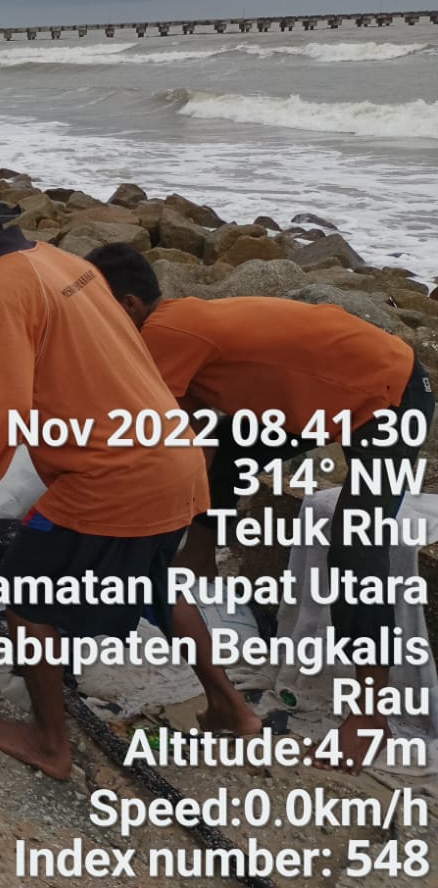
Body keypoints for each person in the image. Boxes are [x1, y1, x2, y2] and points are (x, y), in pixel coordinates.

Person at [0, 166, 257, 780]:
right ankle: (231, 706)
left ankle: (51, 744)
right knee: (153, 580)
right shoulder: (61, 263)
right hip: (174, 457)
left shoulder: (3, 289)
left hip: (116, 475)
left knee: (26, 599)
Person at [85, 242, 435, 772]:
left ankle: (371, 713)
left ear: (129, 306)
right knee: (226, 459)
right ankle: (198, 563)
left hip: (390, 395)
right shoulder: (176, 327)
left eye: (93, 312)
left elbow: (139, 436)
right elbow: (183, 433)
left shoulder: (161, 336)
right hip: (315, 396)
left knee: (355, 545)